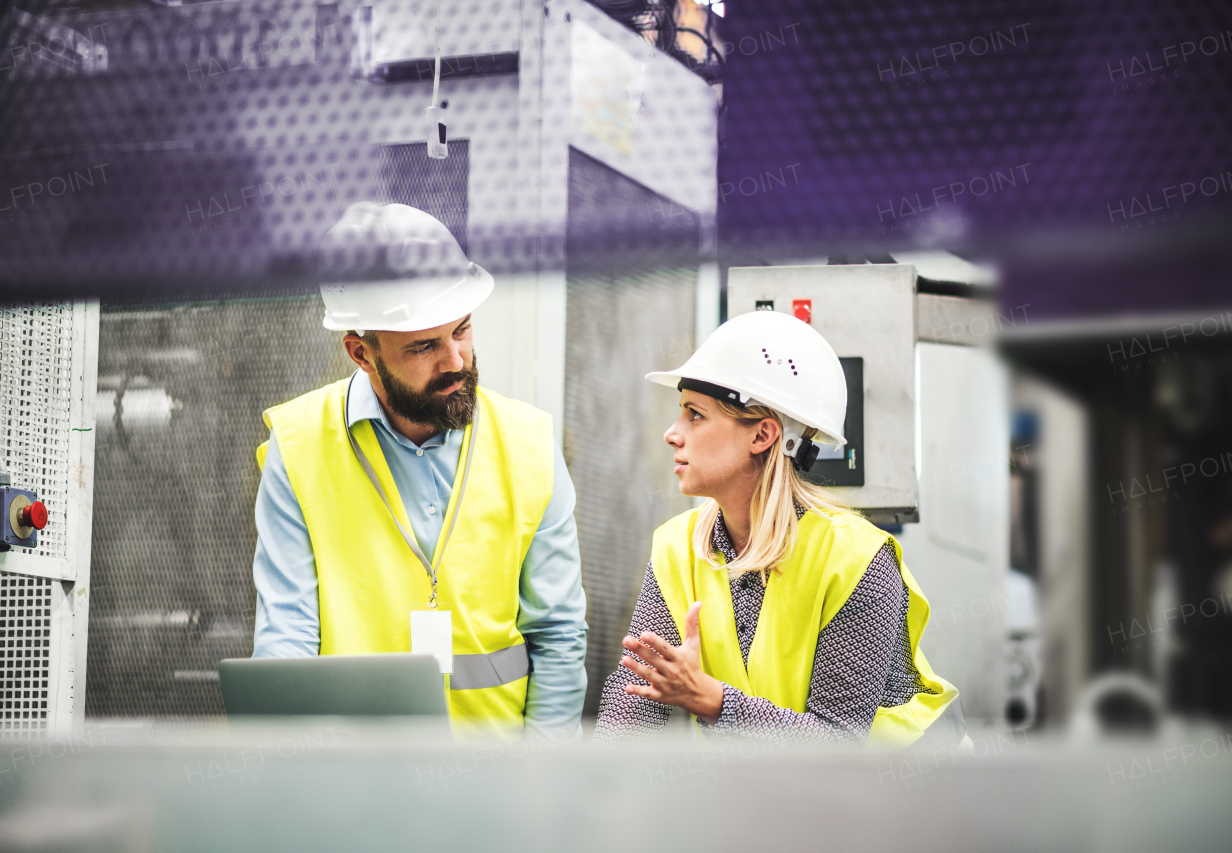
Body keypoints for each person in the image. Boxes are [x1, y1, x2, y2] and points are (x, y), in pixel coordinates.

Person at [251, 202, 588, 740]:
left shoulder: (530, 445)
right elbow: (286, 639)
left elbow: (557, 638)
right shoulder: (297, 447)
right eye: (424, 346)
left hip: (498, 788)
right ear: (362, 353)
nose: (455, 360)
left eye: (462, 330)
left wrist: (539, 788)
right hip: (353, 787)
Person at [593, 310, 963, 746]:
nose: (672, 434)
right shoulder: (678, 549)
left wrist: (714, 701)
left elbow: (838, 744)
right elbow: (632, 703)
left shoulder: (857, 561)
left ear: (762, 435)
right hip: (784, 796)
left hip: (913, 798)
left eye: (694, 415)